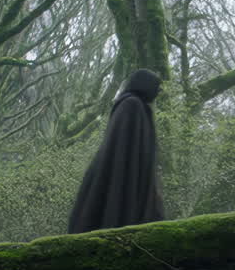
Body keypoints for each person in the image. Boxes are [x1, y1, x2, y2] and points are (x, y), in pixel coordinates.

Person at [67, 69, 165, 233]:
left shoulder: (138, 107)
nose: (159, 91)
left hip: (131, 171)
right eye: (156, 86)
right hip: (122, 169)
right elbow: (121, 148)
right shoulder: (131, 105)